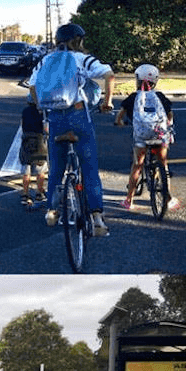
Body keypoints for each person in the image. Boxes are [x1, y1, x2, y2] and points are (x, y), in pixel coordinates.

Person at [28, 22, 115, 234]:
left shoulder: (46, 60)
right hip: (78, 115)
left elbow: (32, 85)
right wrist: (107, 102)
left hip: (55, 117)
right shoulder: (82, 58)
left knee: (56, 168)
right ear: (78, 40)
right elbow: (109, 75)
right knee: (89, 167)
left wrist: (41, 107)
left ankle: (51, 210)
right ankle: (96, 218)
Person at [114, 63, 181, 212]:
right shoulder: (160, 97)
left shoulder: (133, 98)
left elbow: (120, 115)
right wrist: (168, 123)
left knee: (137, 165)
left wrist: (119, 123)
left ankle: (129, 200)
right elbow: (170, 115)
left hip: (141, 137)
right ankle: (168, 198)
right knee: (163, 164)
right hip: (160, 135)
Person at [19, 99, 48, 208]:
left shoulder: (25, 111)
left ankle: (25, 194)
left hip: (26, 143)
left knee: (26, 172)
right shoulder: (43, 112)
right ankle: (39, 193)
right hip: (40, 143)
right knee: (41, 171)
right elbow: (46, 128)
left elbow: (22, 125)